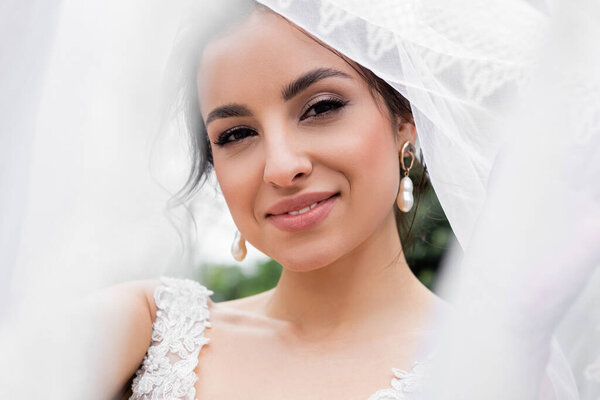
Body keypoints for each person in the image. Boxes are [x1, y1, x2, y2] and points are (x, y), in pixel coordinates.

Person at [1, 1, 598, 399]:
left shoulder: (501, 362)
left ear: (405, 123)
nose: (282, 166)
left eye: (321, 107)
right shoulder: (145, 328)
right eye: (236, 135)